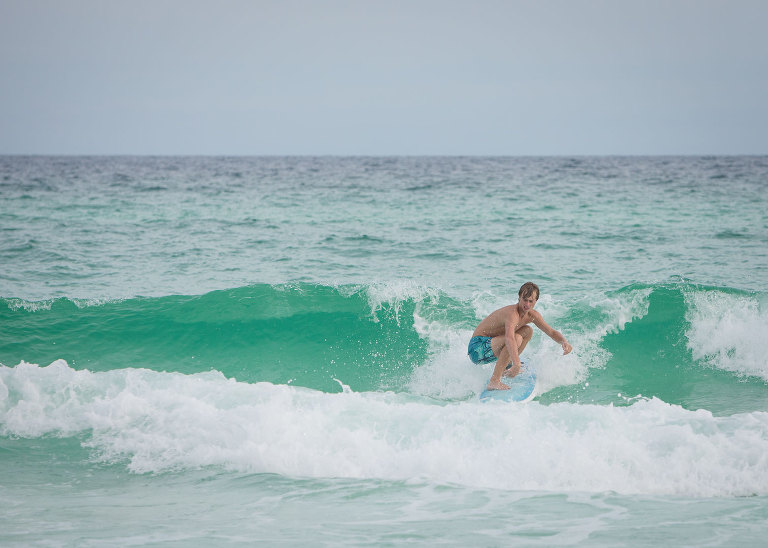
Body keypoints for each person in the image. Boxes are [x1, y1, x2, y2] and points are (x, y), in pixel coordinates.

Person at [468, 282, 572, 391]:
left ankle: (507, 366)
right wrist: (517, 363)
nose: (527, 304)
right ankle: (494, 381)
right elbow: (509, 338)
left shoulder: (532, 315)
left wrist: (564, 341)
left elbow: (551, 332)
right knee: (516, 338)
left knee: (528, 331)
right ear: (519, 298)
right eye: (524, 300)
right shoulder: (512, 314)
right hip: (477, 349)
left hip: (491, 346)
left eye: (531, 301)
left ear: (536, 301)